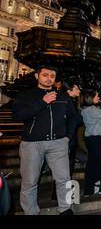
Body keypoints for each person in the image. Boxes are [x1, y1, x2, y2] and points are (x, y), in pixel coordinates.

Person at [12, 66, 78, 215]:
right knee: (30, 182)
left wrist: (67, 136)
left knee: (64, 179)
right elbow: (17, 116)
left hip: (58, 143)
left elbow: (74, 117)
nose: (49, 78)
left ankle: (66, 209)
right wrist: (42, 102)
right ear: (37, 76)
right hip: (31, 144)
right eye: (45, 75)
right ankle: (31, 212)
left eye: (52, 76)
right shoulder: (26, 95)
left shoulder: (62, 96)